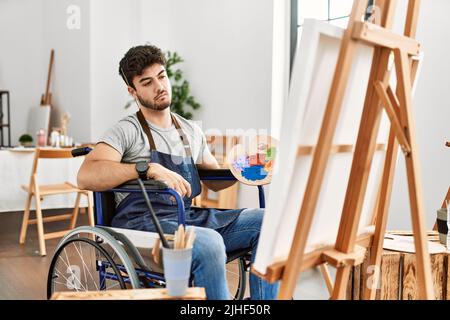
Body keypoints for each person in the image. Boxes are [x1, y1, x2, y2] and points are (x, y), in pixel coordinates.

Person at [77, 44, 279, 299]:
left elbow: (215, 180)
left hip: (187, 217)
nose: (159, 86)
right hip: (142, 224)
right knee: (209, 243)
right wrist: (147, 168)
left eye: (161, 76)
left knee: (270, 222)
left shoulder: (190, 130)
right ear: (133, 91)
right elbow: (86, 175)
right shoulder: (127, 130)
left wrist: (245, 167)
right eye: (147, 82)